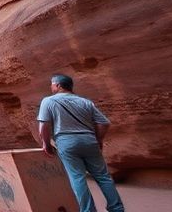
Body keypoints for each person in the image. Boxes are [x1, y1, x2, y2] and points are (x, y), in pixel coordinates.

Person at [37, 73, 124, 212]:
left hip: (67, 141)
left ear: (58, 85)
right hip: (89, 140)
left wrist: (46, 144)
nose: (51, 86)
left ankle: (88, 210)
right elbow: (104, 123)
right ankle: (117, 208)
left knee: (77, 178)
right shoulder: (85, 102)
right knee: (103, 177)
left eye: (52, 84)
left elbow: (43, 127)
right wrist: (98, 139)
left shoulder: (49, 101)